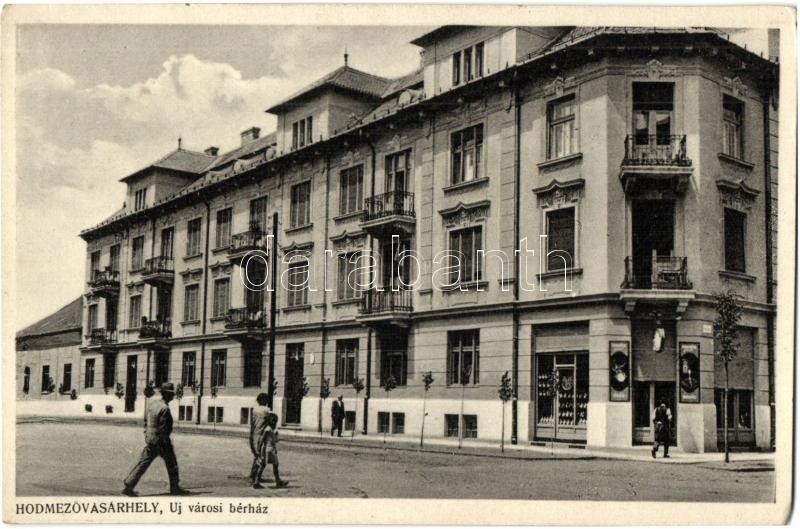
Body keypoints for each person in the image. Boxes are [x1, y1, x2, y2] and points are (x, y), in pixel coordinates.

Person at [123, 383, 189, 496]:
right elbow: (164, 429)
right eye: (171, 394)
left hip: (151, 439)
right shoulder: (165, 409)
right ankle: (175, 488)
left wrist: (147, 435)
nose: (173, 396)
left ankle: (129, 484)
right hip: (161, 441)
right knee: (172, 463)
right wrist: (166, 443)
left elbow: (146, 422)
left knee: (143, 462)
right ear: (167, 395)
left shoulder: (152, 405)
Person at [249, 393, 271, 488]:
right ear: (265, 401)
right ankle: (256, 481)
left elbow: (252, 424)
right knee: (261, 458)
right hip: (262, 435)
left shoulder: (254, 410)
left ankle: (253, 475)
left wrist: (251, 435)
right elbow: (270, 422)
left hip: (254, 434)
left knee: (256, 456)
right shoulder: (267, 410)